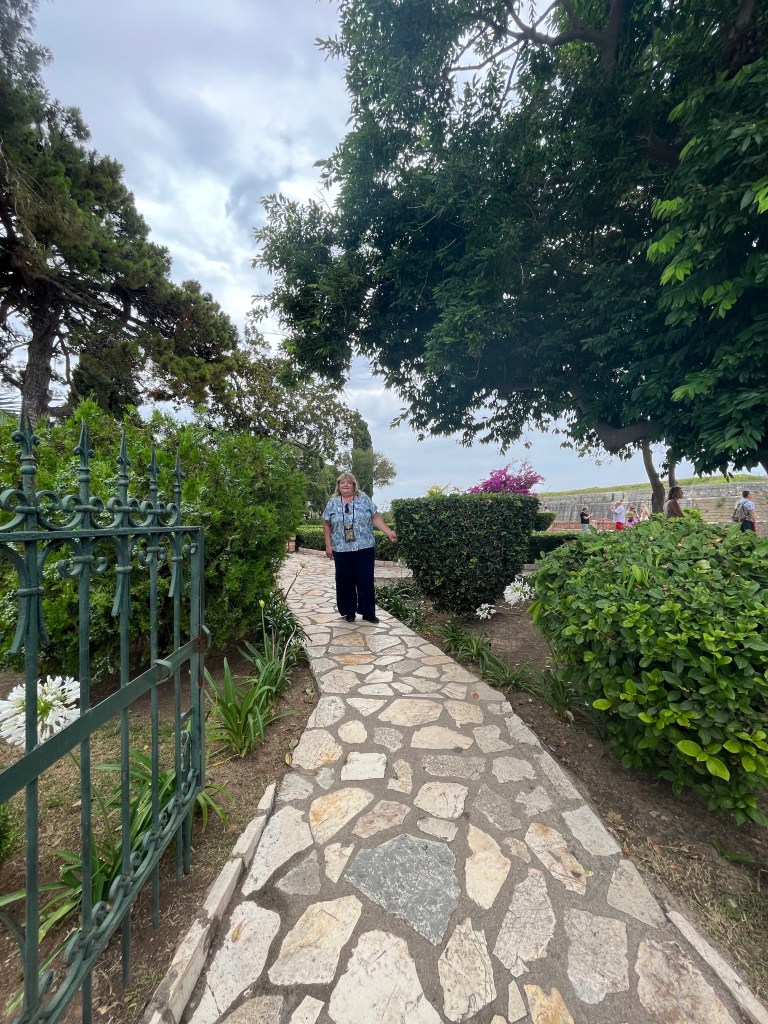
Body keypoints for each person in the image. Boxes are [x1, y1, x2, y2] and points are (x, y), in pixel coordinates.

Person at [323, 472, 398, 624]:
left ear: (354, 486)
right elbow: (326, 523)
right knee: (344, 581)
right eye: (342, 482)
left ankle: (368, 612)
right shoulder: (332, 502)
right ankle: (348, 611)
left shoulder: (363, 499)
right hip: (341, 549)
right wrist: (328, 545)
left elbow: (375, 517)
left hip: (365, 547)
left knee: (365, 580)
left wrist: (389, 532)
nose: (345, 484)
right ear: (338, 485)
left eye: (349, 482)